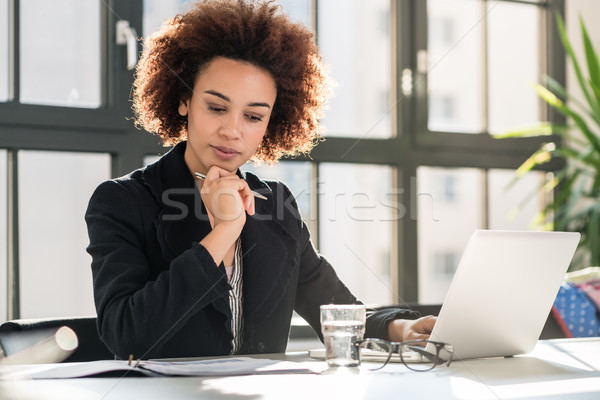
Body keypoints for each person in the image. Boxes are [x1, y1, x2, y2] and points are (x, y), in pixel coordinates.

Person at [85, 0, 436, 360]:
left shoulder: (275, 205)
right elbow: (126, 334)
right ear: (183, 100)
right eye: (217, 107)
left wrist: (400, 328)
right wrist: (224, 230)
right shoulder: (123, 201)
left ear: (272, 123)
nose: (232, 131)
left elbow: (333, 307)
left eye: (253, 116)